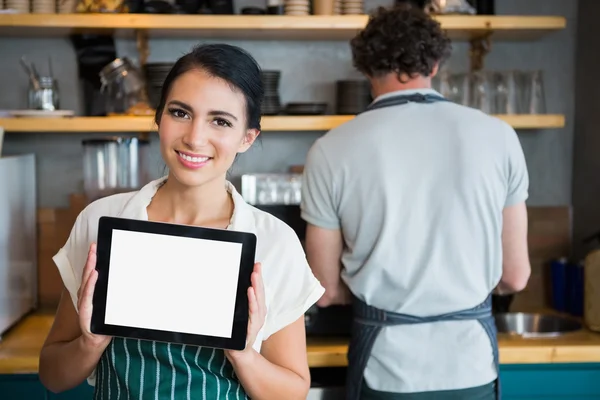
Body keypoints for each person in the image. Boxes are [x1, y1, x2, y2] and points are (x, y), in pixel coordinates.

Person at [39, 43, 325, 400]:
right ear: (158, 117)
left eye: (220, 121)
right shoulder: (100, 220)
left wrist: (243, 353)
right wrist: (90, 342)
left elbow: (293, 392)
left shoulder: (274, 242)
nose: (194, 137)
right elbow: (52, 375)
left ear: (247, 138)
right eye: (180, 113)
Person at [301, 5, 531, 400]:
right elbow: (515, 277)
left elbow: (323, 288)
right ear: (436, 63)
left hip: (385, 369)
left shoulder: (331, 150)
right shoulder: (499, 137)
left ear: (365, 67)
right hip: (469, 364)